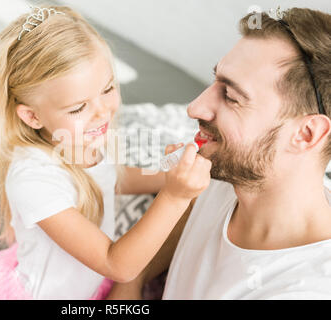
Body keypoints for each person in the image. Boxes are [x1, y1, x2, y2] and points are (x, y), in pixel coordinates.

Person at [0, 5, 211, 300]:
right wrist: (174, 195)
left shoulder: (80, 141)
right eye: (78, 107)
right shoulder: (33, 178)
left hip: (93, 281)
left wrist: (169, 177)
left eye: (108, 88)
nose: (103, 112)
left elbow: (110, 179)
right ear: (33, 116)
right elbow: (117, 265)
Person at [108, 7, 331, 300]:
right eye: (215, 82)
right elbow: (187, 206)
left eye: (231, 96)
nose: (194, 108)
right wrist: (131, 283)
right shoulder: (225, 171)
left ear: (306, 135)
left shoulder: (301, 289)